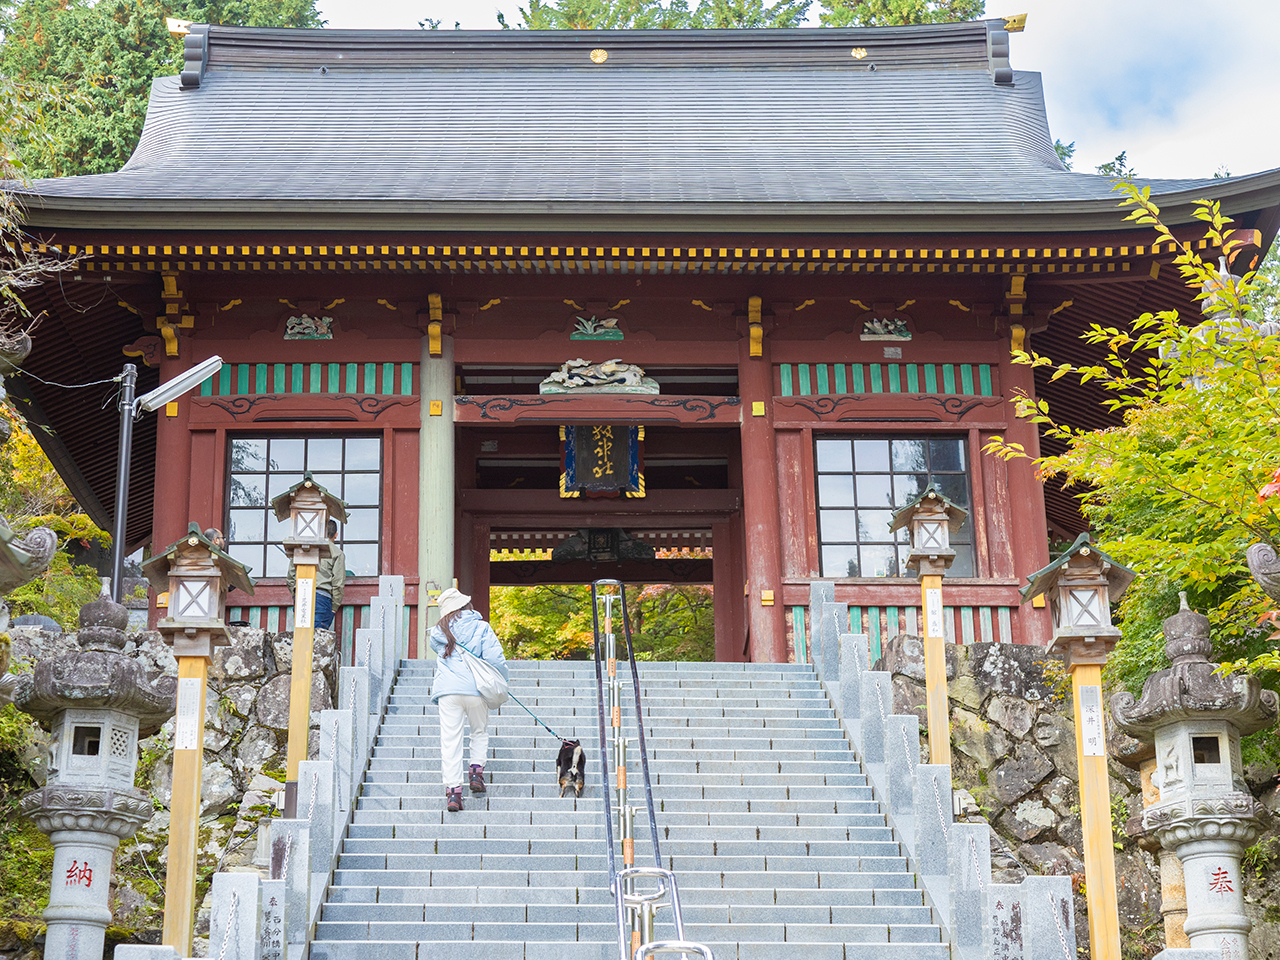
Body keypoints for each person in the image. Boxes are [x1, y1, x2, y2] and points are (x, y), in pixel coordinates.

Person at [430, 587, 509, 813]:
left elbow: (441, 651)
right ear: (466, 605)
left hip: (448, 691)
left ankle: (454, 793)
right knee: (479, 731)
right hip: (476, 688)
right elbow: (495, 658)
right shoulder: (481, 627)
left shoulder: (438, 632)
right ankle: (476, 772)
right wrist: (501, 679)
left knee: (450, 741)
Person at [286, 519, 345, 630]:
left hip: (301, 593)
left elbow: (290, 577)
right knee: (317, 636)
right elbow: (338, 583)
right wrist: (334, 607)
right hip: (322, 597)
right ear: (336, 535)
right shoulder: (337, 553)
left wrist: (296, 593)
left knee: (301, 634)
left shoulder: (303, 547)